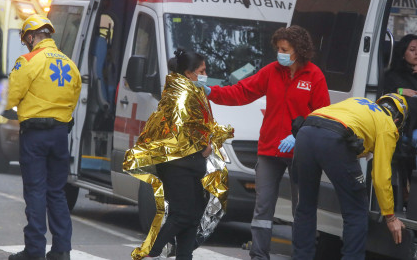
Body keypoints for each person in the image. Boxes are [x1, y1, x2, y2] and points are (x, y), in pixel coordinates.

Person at [202, 25, 330, 259]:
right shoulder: (272, 71)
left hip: (302, 151)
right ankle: (259, 255)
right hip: (270, 150)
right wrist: (211, 92)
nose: (279, 53)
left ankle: (303, 255)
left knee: (302, 208)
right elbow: (242, 92)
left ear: (299, 50)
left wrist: (298, 135)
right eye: (278, 48)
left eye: (284, 49)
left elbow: (322, 115)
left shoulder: (314, 76)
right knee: (263, 208)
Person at [292, 94, 408, 260]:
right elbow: (381, 176)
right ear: (398, 121)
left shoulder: (359, 102)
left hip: (306, 130)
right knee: (356, 211)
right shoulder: (388, 125)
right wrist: (390, 216)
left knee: (305, 205)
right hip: (334, 138)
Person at [6, 14, 81, 260]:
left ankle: (35, 250)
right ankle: (61, 250)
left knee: (36, 192)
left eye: (26, 39)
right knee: (56, 192)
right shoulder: (70, 65)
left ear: (30, 36)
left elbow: (8, 97)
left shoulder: (28, 61)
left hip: (35, 136)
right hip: (60, 136)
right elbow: (73, 100)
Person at [137, 48, 223, 260]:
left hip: (192, 164)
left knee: (193, 217)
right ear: (188, 73)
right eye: (201, 71)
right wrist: (204, 142)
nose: (205, 74)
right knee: (182, 215)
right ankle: (151, 253)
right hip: (178, 164)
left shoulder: (195, 92)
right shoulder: (179, 94)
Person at [384, 34, 417, 139]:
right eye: (412, 50)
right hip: (404, 127)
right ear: (403, 54)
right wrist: (401, 91)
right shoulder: (394, 74)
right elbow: (385, 91)